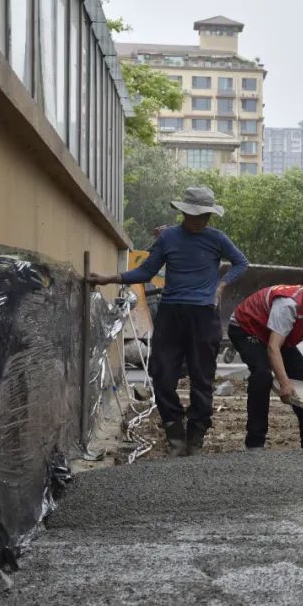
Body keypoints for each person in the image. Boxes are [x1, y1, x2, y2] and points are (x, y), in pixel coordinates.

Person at [89, 187, 248, 457]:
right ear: (184, 213)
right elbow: (146, 271)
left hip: (203, 316)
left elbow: (241, 263)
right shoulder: (169, 238)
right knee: (162, 375)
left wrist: (221, 286)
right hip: (171, 314)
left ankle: (195, 436)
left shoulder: (217, 239)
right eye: (196, 216)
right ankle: (175, 431)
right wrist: (111, 278)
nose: (201, 222)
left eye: (205, 217)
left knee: (202, 379)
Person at [228, 279, 303, 450]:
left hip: (276, 336)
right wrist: (284, 383)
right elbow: (272, 348)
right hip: (247, 328)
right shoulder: (288, 305)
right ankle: (254, 443)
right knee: (262, 376)